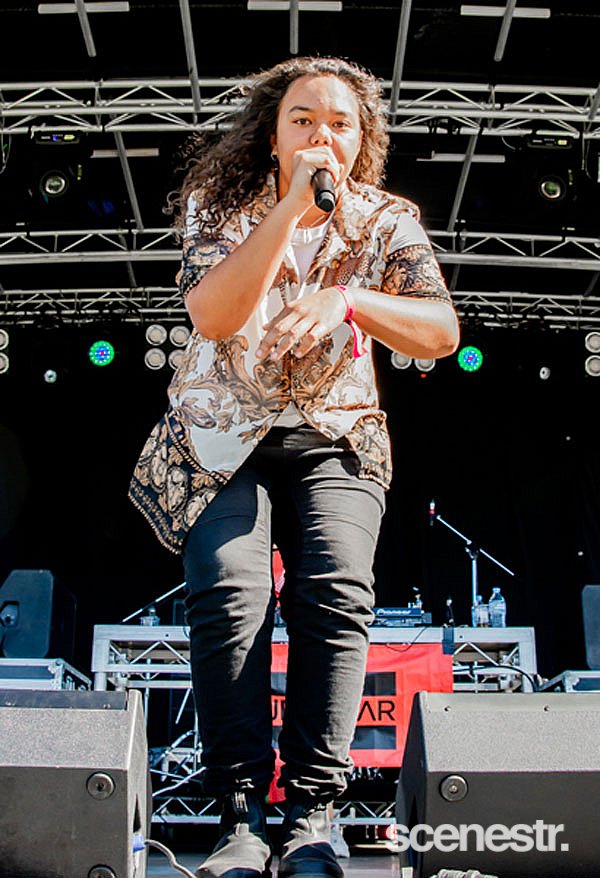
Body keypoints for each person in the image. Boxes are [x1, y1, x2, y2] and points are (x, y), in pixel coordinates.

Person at [129, 56, 459, 878]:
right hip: (222, 440)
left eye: (340, 123)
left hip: (334, 436)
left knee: (336, 593)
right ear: (273, 137)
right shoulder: (219, 207)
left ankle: (313, 815)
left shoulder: (386, 220)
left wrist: (346, 299)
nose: (322, 135)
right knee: (229, 597)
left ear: (361, 140)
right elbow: (213, 314)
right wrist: (286, 210)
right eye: (303, 119)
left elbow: (440, 331)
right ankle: (241, 816)